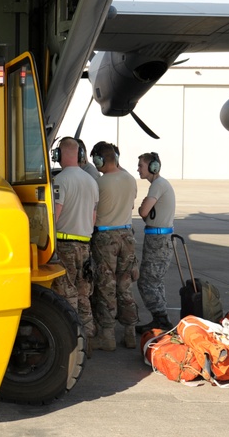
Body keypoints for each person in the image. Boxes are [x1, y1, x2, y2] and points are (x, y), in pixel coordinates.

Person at [88, 142, 139, 351]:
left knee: (105, 286)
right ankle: (130, 333)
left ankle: (107, 335)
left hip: (105, 238)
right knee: (124, 285)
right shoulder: (130, 179)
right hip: (127, 236)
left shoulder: (99, 184)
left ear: (100, 160)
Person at [51, 136, 99, 339]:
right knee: (83, 292)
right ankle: (88, 333)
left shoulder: (61, 180)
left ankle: (73, 337)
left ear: (59, 154)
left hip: (65, 246)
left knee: (67, 292)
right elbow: (94, 217)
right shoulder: (92, 181)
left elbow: (55, 214)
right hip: (85, 244)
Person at [135, 151, 176, 333]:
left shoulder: (158, 185)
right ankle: (160, 318)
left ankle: (161, 319)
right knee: (155, 281)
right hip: (158, 238)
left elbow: (143, 212)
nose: (138, 169)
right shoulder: (160, 184)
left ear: (153, 167)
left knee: (147, 281)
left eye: (141, 166)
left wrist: (142, 206)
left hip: (158, 240)